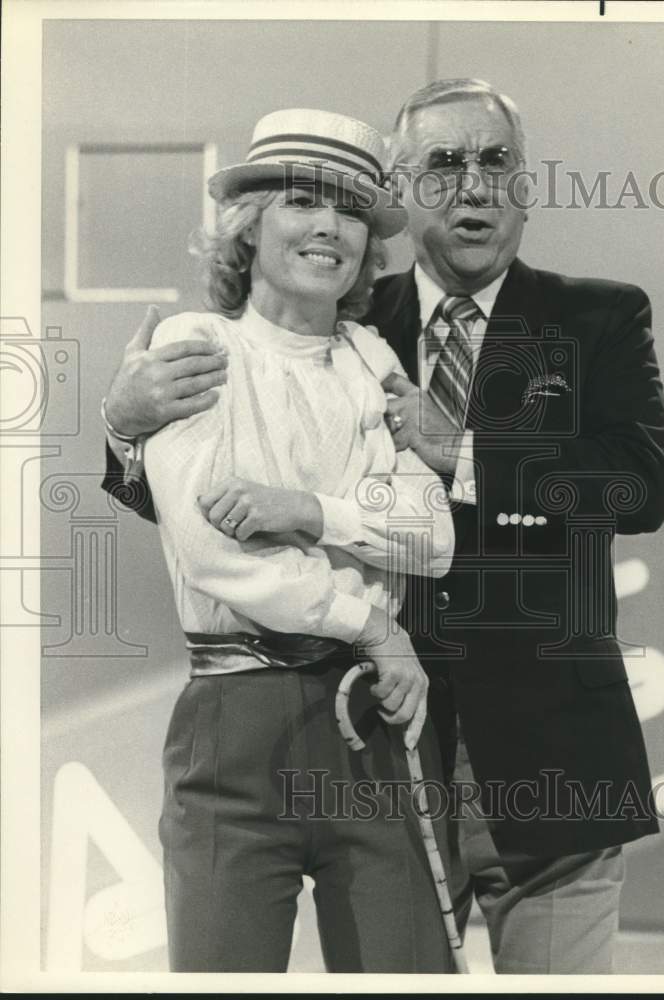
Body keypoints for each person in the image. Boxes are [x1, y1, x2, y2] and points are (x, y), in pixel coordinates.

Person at [102, 79, 664, 974]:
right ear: (404, 189)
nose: (474, 186)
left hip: (550, 765)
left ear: (524, 184)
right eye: (444, 164)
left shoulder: (592, 316)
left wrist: (465, 453)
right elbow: (209, 510)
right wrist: (126, 428)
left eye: (496, 162)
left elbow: (640, 489)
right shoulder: (361, 323)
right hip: (380, 741)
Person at [110, 107, 458, 973]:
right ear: (249, 224)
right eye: (303, 202)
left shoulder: (372, 359)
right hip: (240, 723)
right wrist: (376, 625)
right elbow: (219, 556)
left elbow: (431, 538)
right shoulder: (199, 346)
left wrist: (311, 510)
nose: (329, 228)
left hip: (373, 717)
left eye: (350, 211)